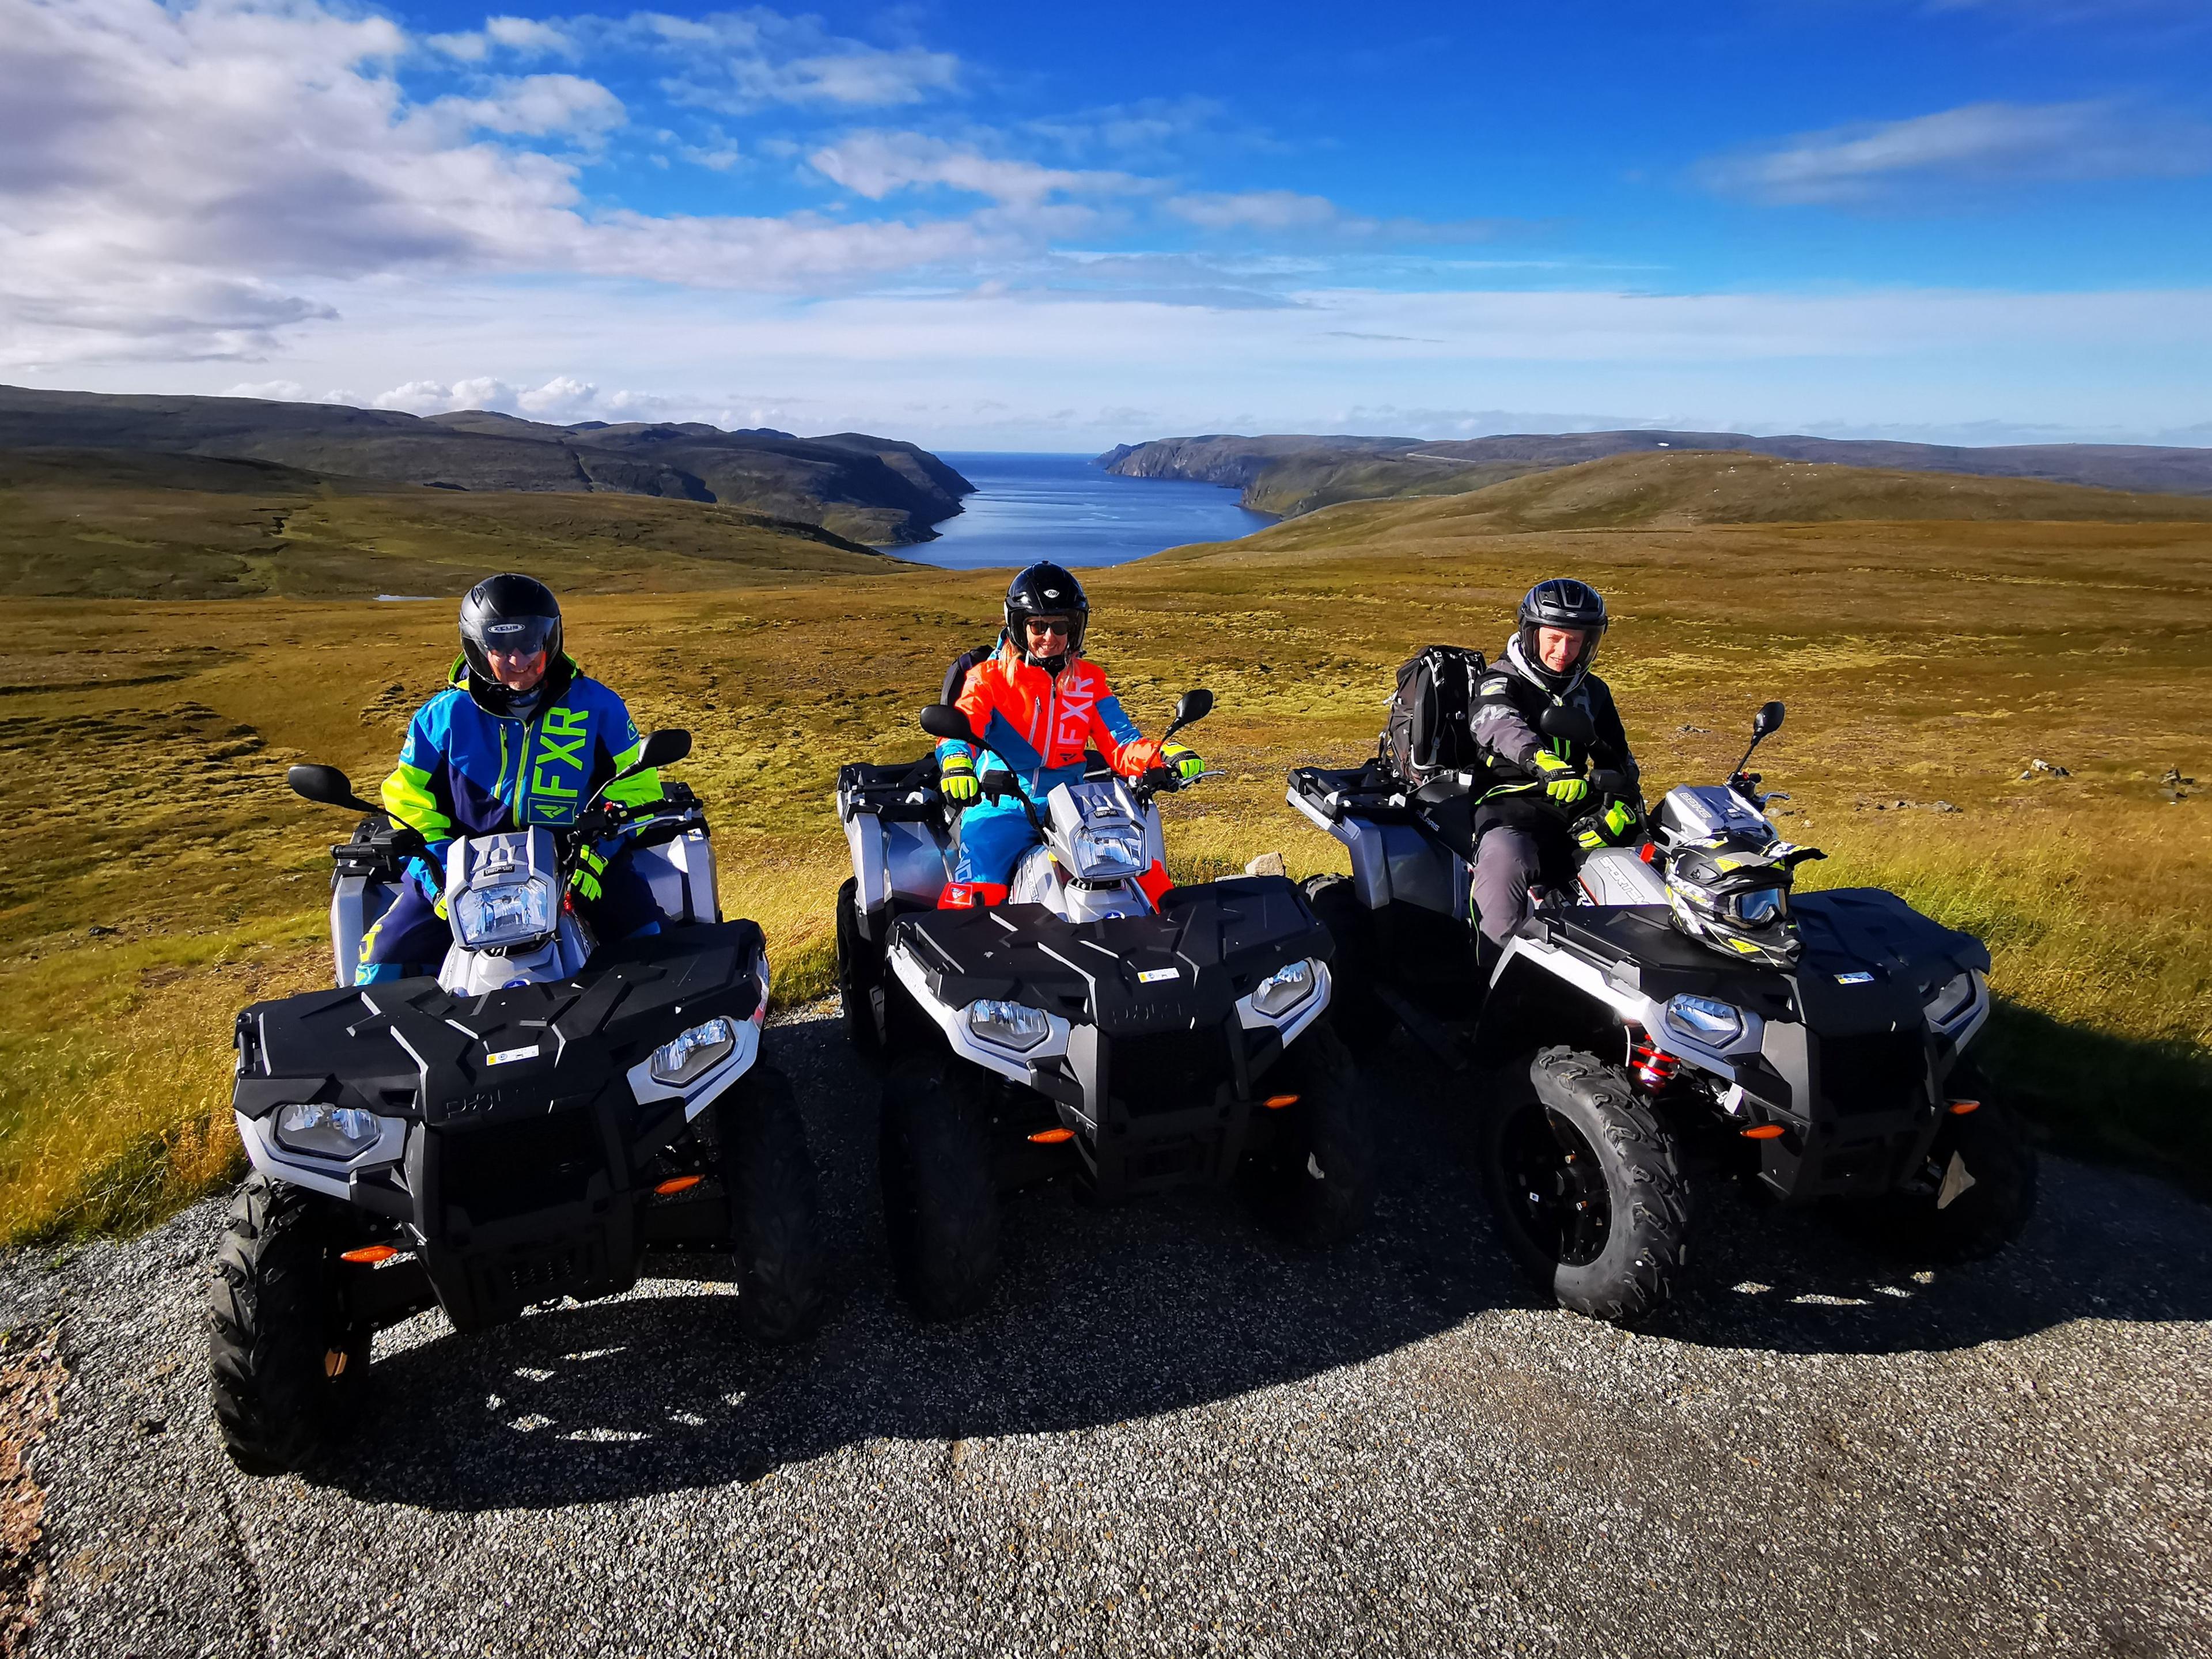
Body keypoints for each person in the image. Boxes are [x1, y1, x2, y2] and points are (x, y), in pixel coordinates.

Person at [355, 573, 666, 982]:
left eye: (530, 644)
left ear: (551, 640)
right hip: (460, 871)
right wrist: (436, 867)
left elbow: (637, 786)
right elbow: (407, 798)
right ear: (477, 648)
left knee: (655, 946)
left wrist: (599, 852)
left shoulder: (599, 706)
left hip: (577, 860)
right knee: (381, 961)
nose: (518, 660)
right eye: (501, 647)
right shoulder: (441, 717)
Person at [935, 562, 1205, 908]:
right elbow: (962, 728)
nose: (1050, 637)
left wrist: (1165, 754)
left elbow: (1122, 742)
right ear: (1019, 625)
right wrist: (957, 763)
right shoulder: (988, 678)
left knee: (1150, 881)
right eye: (1037, 625)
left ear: (1075, 628)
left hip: (1074, 806)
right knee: (977, 892)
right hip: (1001, 805)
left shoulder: (1089, 681)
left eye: (1060, 625)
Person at [1466, 577, 1642, 949]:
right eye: (1554, 638)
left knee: (1639, 864)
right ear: (1532, 635)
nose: (1564, 651)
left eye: (1575, 641)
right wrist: (1542, 761)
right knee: (1505, 861)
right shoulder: (1501, 679)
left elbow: (1619, 759)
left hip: (1574, 809)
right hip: (1510, 808)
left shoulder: (1593, 692)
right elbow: (1495, 721)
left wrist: (1621, 808)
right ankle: (1492, 970)